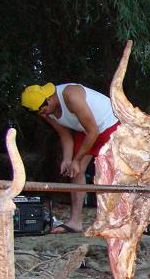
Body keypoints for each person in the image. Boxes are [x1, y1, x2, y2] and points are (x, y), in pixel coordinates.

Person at [21, 82, 119, 234]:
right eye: (38, 113)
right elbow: (65, 135)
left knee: (109, 172)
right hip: (86, 129)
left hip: (109, 126)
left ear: (49, 99)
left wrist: (77, 160)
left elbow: (93, 131)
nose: (42, 115)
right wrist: (68, 160)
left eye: (42, 110)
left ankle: (115, 220)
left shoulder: (71, 95)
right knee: (75, 171)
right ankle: (75, 222)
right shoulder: (46, 111)